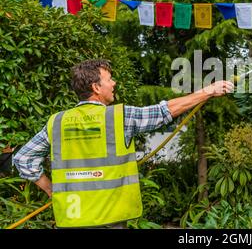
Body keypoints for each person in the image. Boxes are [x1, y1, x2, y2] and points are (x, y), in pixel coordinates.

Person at [13, 59, 234, 228]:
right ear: (96, 87)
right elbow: (163, 112)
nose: (114, 83)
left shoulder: (57, 122)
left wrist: (51, 189)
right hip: (111, 219)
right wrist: (209, 90)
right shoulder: (119, 117)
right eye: (109, 79)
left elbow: (23, 159)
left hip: (71, 219)